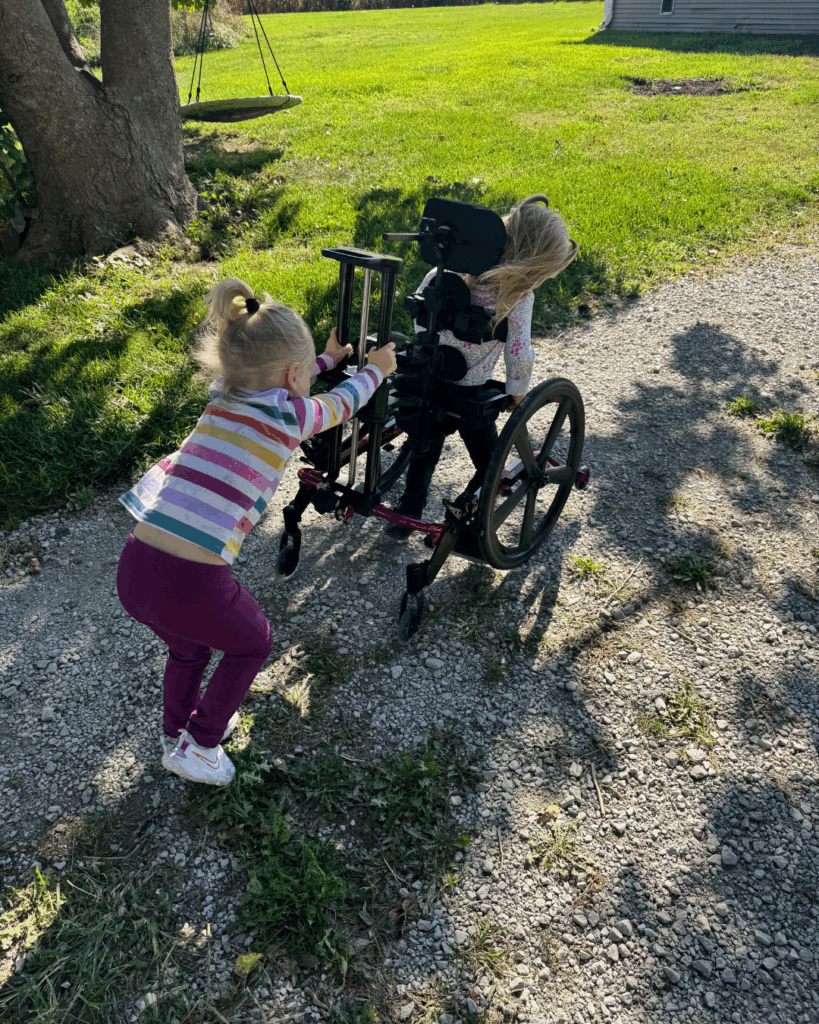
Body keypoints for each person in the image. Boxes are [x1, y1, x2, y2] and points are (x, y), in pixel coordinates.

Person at [115, 278, 397, 786]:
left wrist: (326, 362)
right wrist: (374, 370)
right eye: (306, 375)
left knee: (189, 648)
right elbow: (342, 405)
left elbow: (274, 376)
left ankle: (174, 732)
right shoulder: (289, 413)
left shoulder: (222, 393)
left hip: (134, 567)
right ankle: (200, 747)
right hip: (192, 578)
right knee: (252, 643)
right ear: (293, 376)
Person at [385, 194, 578, 538]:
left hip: (427, 378)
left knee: (423, 449)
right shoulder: (516, 296)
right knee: (491, 462)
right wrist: (516, 394)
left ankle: (408, 511)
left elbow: (417, 316)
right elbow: (518, 352)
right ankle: (470, 507)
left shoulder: (443, 272)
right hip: (470, 392)